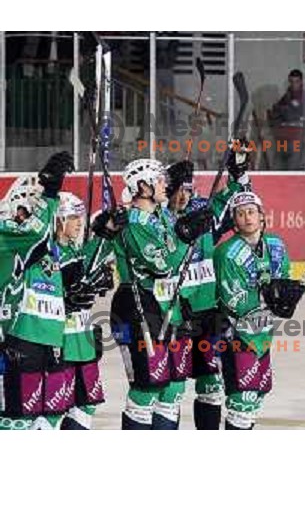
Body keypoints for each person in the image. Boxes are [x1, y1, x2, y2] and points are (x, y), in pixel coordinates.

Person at [110, 158, 211, 430]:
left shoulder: (161, 214)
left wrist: (186, 225)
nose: (164, 184)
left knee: (173, 390)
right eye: (158, 180)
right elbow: (163, 264)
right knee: (148, 388)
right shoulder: (133, 222)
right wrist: (186, 236)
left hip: (168, 306)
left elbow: (174, 232)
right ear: (142, 186)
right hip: (140, 307)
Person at [163, 148, 251, 430]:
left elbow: (232, 199)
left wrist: (237, 172)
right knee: (171, 389)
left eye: (189, 189)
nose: (185, 196)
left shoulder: (201, 212)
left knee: (211, 385)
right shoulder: (161, 219)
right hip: (176, 313)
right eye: (179, 189)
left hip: (208, 312)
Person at [213, 191, 305, 430]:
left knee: (257, 397)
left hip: (262, 334)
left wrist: (288, 293)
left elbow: (283, 277)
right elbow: (233, 298)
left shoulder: (275, 245)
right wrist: (269, 296)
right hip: (235, 334)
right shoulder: (226, 252)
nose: (247, 218)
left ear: (262, 216)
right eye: (240, 213)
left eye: (251, 212)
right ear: (234, 220)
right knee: (241, 402)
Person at [0, 152, 73, 430]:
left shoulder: (38, 246)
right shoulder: (8, 235)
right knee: (15, 422)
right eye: (26, 210)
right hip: (14, 339)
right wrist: (50, 191)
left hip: (45, 339)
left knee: (45, 422)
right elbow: (36, 232)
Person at [56, 192, 122, 430]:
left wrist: (108, 231)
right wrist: (66, 300)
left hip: (82, 343)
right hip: (60, 343)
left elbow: (95, 254)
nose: (78, 222)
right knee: (54, 409)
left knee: (85, 406)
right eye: (72, 217)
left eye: (80, 217)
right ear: (58, 219)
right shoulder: (48, 254)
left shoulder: (75, 251)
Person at [268, 69, 305, 170]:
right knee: (279, 165)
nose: (294, 85)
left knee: (293, 166)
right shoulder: (287, 96)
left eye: (296, 81)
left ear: (301, 82)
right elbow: (276, 112)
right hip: (283, 135)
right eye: (291, 82)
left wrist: (284, 111)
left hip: (298, 136)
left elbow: (295, 114)